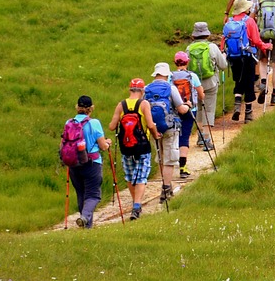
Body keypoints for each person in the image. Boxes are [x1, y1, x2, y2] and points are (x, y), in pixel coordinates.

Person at [108, 78, 158, 220]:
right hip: (142, 146)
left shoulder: (121, 105)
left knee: (130, 176)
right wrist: (156, 135)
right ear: (142, 91)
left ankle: (135, 202)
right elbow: (150, 124)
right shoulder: (144, 104)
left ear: (130, 90)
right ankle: (137, 206)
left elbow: (112, 126)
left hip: (126, 147)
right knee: (141, 176)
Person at [144, 62, 190, 205]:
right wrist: (188, 105)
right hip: (170, 127)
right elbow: (181, 110)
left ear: (155, 74)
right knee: (170, 159)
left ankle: (166, 184)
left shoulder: (146, 89)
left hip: (154, 128)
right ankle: (165, 188)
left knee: (161, 156)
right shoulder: (171, 88)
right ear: (167, 75)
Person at [222, 0, 271, 123]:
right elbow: (256, 40)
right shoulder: (249, 21)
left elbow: (224, 40)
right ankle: (248, 114)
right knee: (249, 83)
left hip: (233, 57)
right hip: (248, 56)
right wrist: (266, 46)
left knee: (238, 81)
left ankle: (237, 104)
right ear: (245, 9)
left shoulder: (229, 22)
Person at [64, 95, 110, 228]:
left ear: (77, 107)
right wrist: (107, 143)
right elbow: (102, 146)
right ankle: (84, 218)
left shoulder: (69, 123)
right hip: (92, 163)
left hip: (73, 164)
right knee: (93, 195)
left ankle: (86, 226)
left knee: (81, 193)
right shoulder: (94, 123)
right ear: (91, 108)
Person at [186, 22, 227, 145]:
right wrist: (224, 56)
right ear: (206, 34)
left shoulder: (189, 49)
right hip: (210, 83)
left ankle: (199, 137)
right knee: (208, 109)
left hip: (194, 84)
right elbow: (223, 65)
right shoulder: (212, 47)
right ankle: (206, 138)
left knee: (198, 108)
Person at [169, 52, 203, 179]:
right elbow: (201, 94)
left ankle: (170, 164)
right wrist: (200, 98)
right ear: (187, 62)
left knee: (174, 136)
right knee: (185, 135)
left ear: (175, 63)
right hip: (190, 109)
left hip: (174, 110)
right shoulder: (192, 76)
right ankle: (183, 167)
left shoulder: (170, 76)